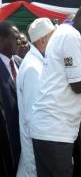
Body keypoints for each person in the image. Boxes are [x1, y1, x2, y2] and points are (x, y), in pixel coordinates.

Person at [29, 1, 81, 177]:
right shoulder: (71, 36)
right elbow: (78, 85)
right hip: (55, 130)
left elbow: (68, 80)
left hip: (49, 129)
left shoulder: (61, 32)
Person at [16, 18, 56, 177]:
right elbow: (33, 118)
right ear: (43, 41)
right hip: (35, 149)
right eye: (54, 38)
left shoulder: (38, 62)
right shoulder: (33, 68)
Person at [0, 22, 21, 176]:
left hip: (23, 133)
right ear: (2, 39)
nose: (19, 41)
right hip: (5, 138)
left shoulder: (20, 62)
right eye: (15, 38)